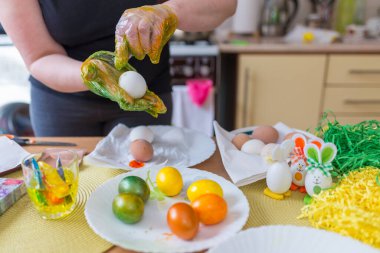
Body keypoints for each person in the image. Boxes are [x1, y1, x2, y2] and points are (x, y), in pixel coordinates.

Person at [0, 0, 236, 136]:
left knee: (144, 186)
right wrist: (95, 74)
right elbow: (41, 56)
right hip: (62, 104)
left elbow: (224, 4)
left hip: (145, 98)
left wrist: (170, 11)